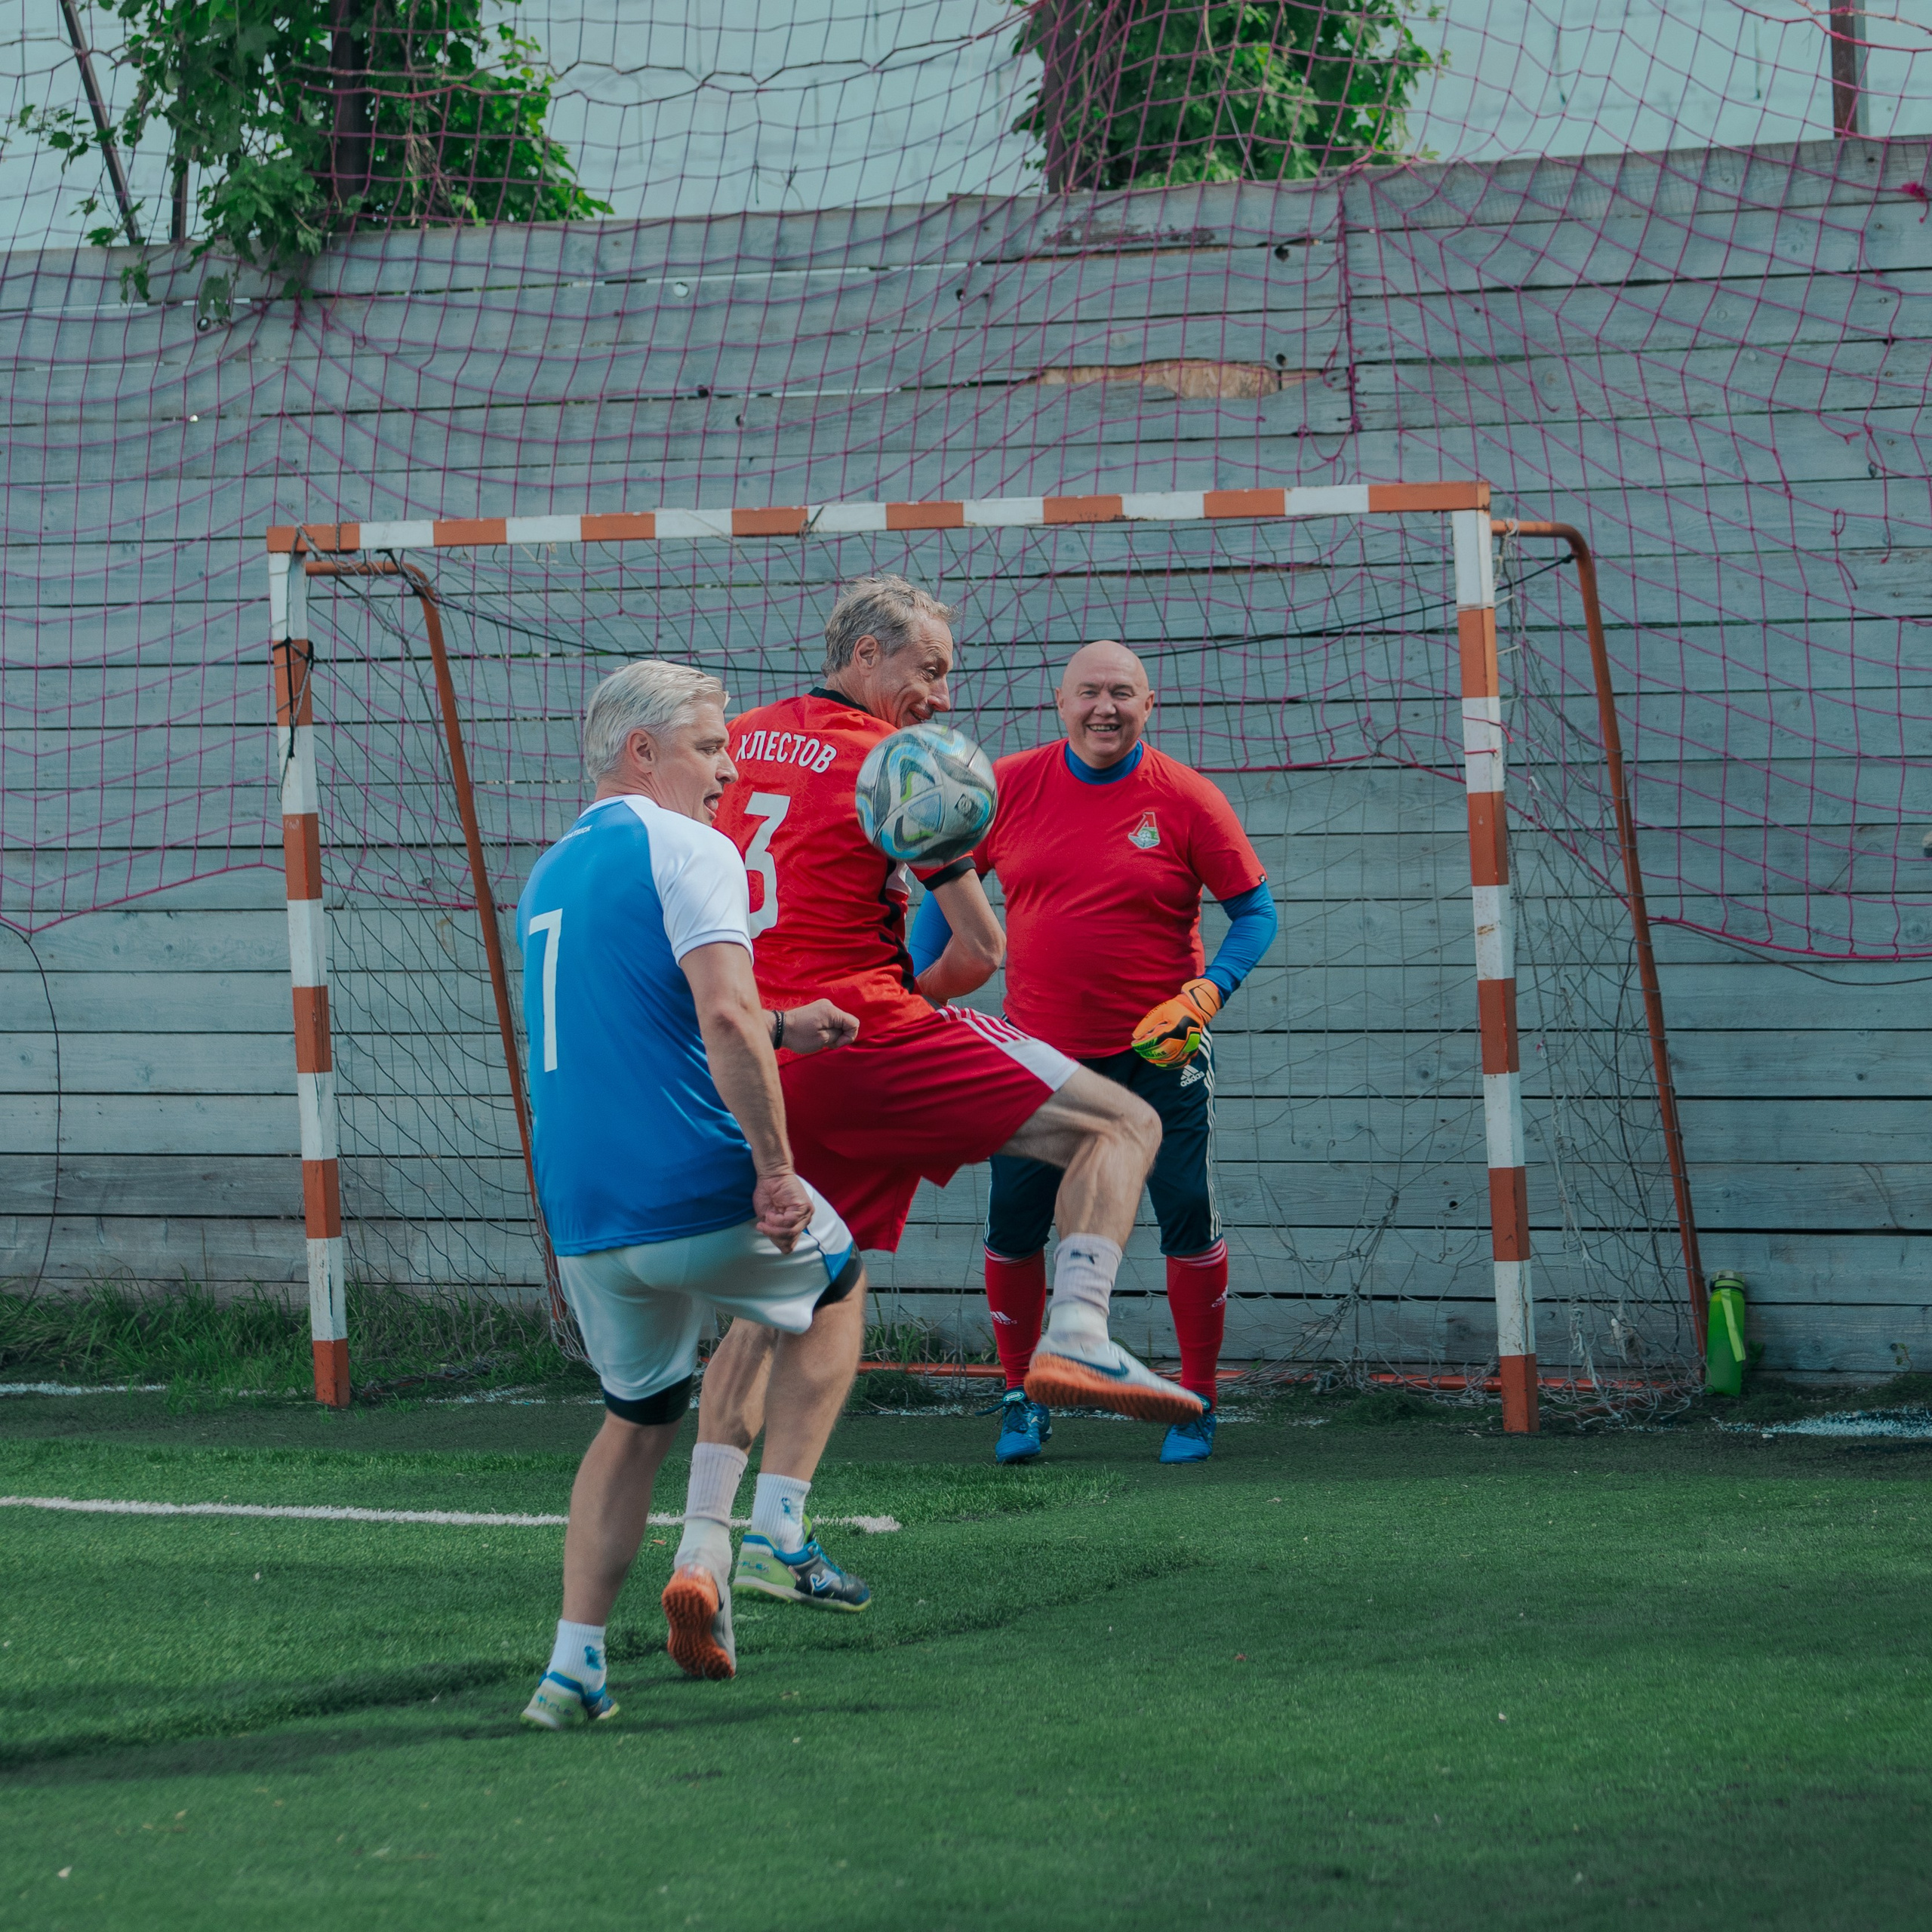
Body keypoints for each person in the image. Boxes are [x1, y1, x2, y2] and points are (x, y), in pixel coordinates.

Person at [698, 577, 1202, 1570]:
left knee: (794, 1298)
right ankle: (1077, 1329)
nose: (940, 698)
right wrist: (909, 1005)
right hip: (857, 1034)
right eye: (929, 672)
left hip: (758, 1054)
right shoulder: (899, 763)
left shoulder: (736, 739)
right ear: (866, 657)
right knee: (1121, 1126)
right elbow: (981, 950)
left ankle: (727, 1548)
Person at [513, 658, 868, 1725]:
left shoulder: (550, 874)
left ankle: (573, 1666)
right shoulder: (692, 846)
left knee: (636, 1418)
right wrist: (771, 1169)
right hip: (694, 1191)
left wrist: (781, 1025)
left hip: (583, 1215)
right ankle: (755, 1536)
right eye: (712, 747)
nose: (728, 768)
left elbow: (655, 1028)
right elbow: (718, 1015)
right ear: (644, 752)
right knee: (837, 1280)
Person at [909, 639, 1277, 1466]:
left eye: (1121, 693)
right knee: (1014, 1225)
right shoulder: (1001, 788)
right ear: (1059, 701)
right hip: (1037, 1056)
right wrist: (913, 991)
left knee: (1186, 1216)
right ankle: (1020, 1394)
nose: (1103, 708)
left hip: (1161, 1053)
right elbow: (939, 902)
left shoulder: (1188, 799)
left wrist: (1208, 991)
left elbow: (1256, 914)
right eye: (1088, 693)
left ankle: (1198, 1399)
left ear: (1150, 705)